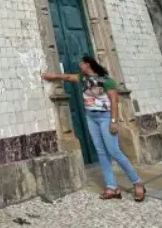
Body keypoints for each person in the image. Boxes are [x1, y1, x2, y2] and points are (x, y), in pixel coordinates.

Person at [42, 55, 146, 202]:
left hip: (105, 117)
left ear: (88, 65)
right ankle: (111, 187)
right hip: (91, 117)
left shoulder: (106, 80)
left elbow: (114, 101)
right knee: (101, 152)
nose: (79, 66)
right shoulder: (83, 78)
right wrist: (51, 76)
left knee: (114, 151)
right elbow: (67, 77)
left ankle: (137, 182)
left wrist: (114, 121)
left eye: (81, 64)